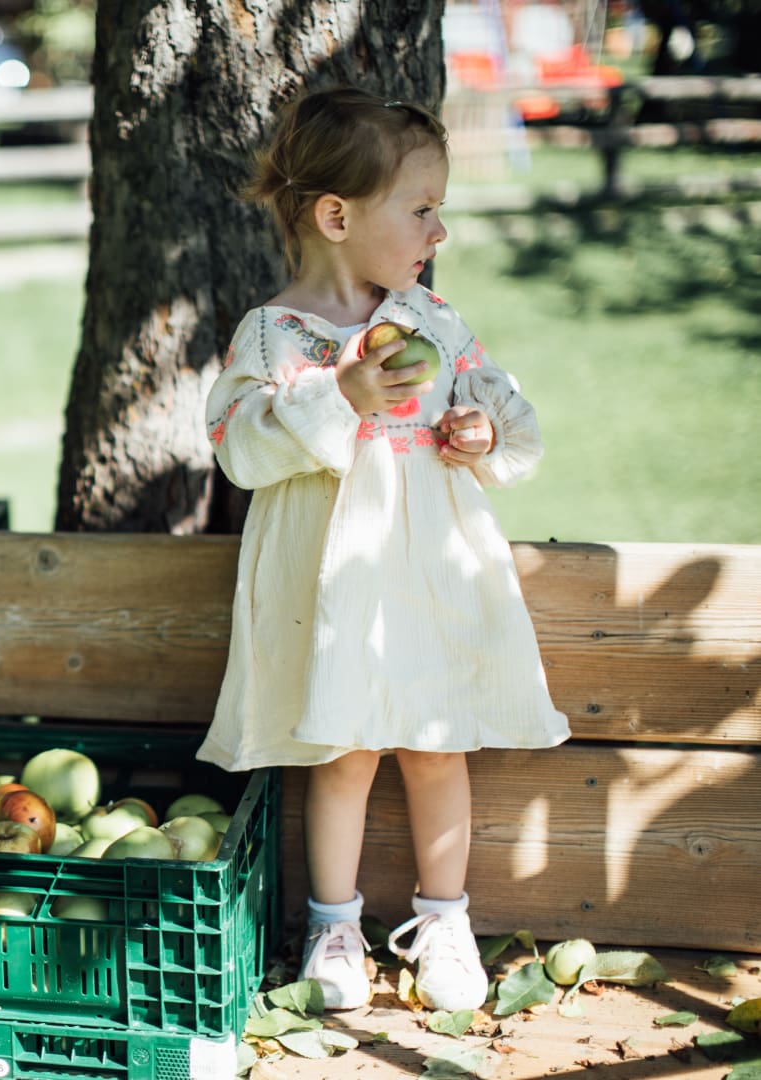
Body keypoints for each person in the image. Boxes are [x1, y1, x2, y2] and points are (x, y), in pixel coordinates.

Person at [199, 86, 569, 1012]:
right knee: (345, 751)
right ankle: (334, 927)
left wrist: (482, 433)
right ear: (337, 217)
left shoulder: (433, 320)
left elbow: (501, 408)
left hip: (430, 574)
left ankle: (445, 920)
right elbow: (240, 448)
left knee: (438, 745)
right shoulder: (275, 337)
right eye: (422, 208)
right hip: (334, 591)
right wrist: (342, 393)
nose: (439, 231)